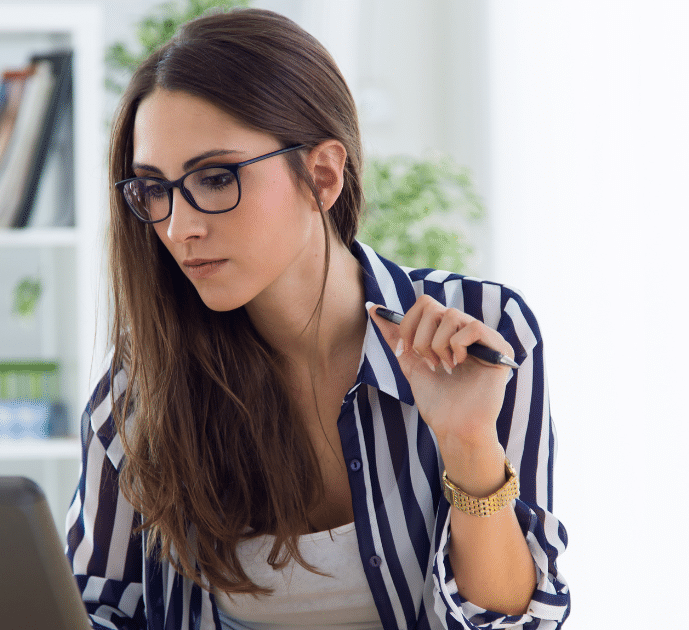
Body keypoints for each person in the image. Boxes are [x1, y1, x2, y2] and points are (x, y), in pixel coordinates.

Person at [66, 8, 569, 629]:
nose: (179, 226)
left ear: (323, 175)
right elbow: (93, 610)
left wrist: (468, 443)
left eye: (216, 178)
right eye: (156, 188)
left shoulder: (482, 331)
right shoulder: (138, 393)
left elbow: (520, 626)